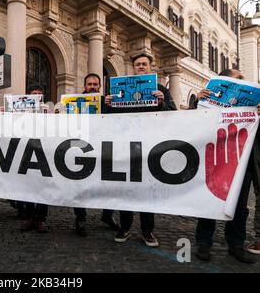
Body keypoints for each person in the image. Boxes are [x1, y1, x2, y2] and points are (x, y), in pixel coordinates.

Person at [104, 53, 177, 247]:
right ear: (133, 67)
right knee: (126, 189)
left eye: (144, 64)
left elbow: (173, 115)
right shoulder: (119, 89)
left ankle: (147, 231)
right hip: (125, 147)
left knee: (146, 191)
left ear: (150, 67)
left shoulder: (160, 89)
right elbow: (109, 119)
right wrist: (108, 106)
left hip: (150, 148)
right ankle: (125, 227)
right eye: (138, 64)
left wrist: (162, 103)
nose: (141, 67)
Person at [193, 69, 255, 263]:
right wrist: (198, 103)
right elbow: (191, 124)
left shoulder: (253, 103)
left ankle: (236, 245)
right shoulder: (206, 99)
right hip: (214, 158)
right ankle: (204, 243)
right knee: (208, 200)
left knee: (240, 205)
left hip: (242, 159)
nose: (242, 81)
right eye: (238, 79)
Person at [71, 73, 120, 237]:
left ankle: (107, 215)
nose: (92, 86)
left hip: (103, 149)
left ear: (100, 86)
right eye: (89, 84)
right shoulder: (74, 101)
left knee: (110, 184)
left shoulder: (107, 101)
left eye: (95, 84)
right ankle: (80, 218)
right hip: (81, 149)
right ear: (84, 86)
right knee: (80, 185)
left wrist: (110, 106)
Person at [20, 85, 49, 233]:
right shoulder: (21, 110)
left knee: (43, 187)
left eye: (39, 94)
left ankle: (41, 219)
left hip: (44, 152)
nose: (37, 96)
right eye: (34, 94)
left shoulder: (48, 109)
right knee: (29, 186)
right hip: (27, 151)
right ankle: (30, 217)